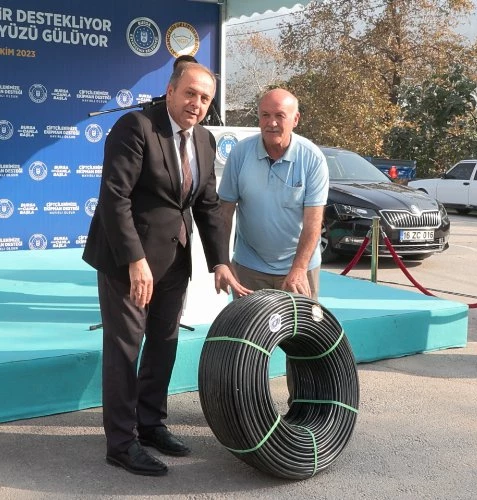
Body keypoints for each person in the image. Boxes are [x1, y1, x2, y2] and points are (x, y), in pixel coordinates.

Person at [83, 61, 249, 477]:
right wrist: (134, 259)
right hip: (128, 262)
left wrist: (221, 261)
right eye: (190, 93)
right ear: (171, 90)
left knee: (164, 344)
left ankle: (151, 424)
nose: (197, 104)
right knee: (125, 350)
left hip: (175, 260)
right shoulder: (136, 127)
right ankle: (122, 444)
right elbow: (115, 198)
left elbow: (208, 206)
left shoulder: (205, 140)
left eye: (205, 98)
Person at [218, 88, 329, 300]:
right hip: (249, 268)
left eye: (280, 115)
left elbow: (313, 222)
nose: (272, 123)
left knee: (300, 323)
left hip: (299, 269)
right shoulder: (240, 153)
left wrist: (299, 268)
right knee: (248, 323)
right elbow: (224, 214)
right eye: (265, 115)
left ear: (295, 119)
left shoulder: (313, 158)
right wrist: (223, 261)